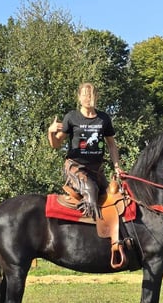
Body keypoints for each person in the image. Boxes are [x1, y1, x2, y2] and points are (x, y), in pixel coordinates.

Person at [47, 82, 122, 220]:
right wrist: (50, 133)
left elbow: (111, 144)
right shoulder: (71, 117)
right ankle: (90, 237)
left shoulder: (103, 118)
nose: (88, 98)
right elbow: (56, 144)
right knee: (91, 191)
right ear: (79, 97)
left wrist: (117, 166)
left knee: (114, 196)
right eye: (84, 95)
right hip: (76, 168)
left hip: (96, 170)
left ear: (96, 97)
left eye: (91, 95)